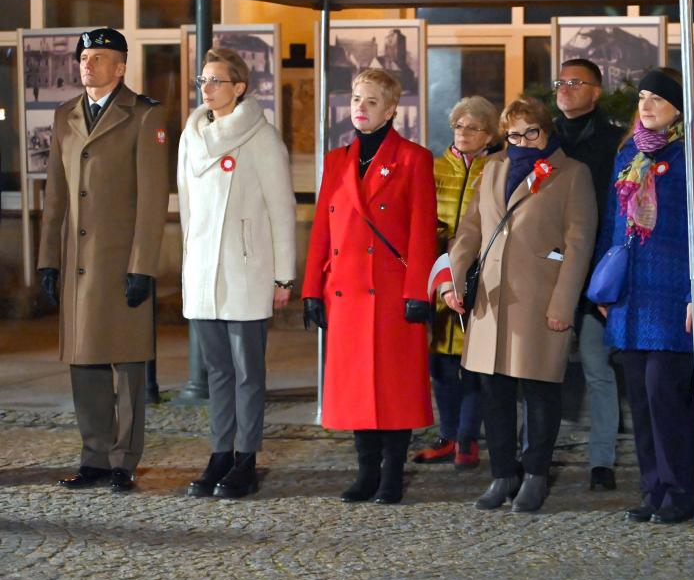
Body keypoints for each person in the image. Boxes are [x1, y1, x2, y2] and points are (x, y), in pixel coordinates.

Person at [442, 97, 597, 513]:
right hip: (492, 300)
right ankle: (502, 474)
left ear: (547, 131)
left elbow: (579, 244)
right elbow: (470, 229)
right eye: (514, 134)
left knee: (540, 390)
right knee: (494, 392)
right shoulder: (493, 168)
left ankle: (535, 475)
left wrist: (563, 304)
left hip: (541, 300)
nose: (523, 141)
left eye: (531, 132)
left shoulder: (572, 173)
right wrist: (453, 281)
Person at [37, 27, 170, 493]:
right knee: (84, 361)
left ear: (121, 66)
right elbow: (56, 194)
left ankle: (123, 461)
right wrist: (48, 259)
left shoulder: (144, 115)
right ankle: (94, 457)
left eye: (98, 57)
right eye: (84, 57)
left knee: (128, 364)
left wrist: (143, 265)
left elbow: (153, 198)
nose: (87, 64)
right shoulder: (65, 115)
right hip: (77, 261)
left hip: (121, 261)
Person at [597, 68, 694, 525]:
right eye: (642, 98)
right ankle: (653, 487)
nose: (646, 105)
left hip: (675, 294)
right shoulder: (628, 154)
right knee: (639, 395)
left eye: (657, 98)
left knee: (666, 394)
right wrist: (604, 283)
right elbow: (612, 223)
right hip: (631, 295)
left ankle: (681, 489)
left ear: (680, 107)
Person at [302, 68, 438, 504]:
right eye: (356, 99)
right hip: (345, 291)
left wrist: (418, 292)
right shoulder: (336, 160)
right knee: (357, 387)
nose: (360, 108)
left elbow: (422, 232)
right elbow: (322, 230)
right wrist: (311, 288)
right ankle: (366, 473)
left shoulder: (414, 159)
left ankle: (392, 475)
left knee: (394, 387)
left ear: (391, 109)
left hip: (393, 292)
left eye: (372, 101)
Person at [178, 48, 296, 499]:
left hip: (247, 270)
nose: (206, 88)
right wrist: (189, 263)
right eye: (202, 80)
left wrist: (283, 276)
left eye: (216, 81)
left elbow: (282, 210)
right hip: (203, 272)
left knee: (248, 372)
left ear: (239, 87)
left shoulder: (261, 137)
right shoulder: (192, 135)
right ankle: (219, 454)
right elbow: (187, 208)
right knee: (217, 371)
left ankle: (246, 459)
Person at [413, 96, 501, 470]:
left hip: (479, 276)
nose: (463, 133)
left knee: (474, 364)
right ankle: (448, 436)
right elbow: (420, 215)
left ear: (489, 135)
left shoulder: (496, 169)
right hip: (438, 273)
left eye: (473, 128)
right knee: (441, 363)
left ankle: (467, 438)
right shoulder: (434, 168)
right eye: (459, 126)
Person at [553, 58, 626, 492]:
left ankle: (602, 461)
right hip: (553, 270)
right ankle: (534, 454)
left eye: (575, 82)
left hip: (598, 271)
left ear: (596, 92)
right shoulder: (544, 138)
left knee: (599, 370)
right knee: (543, 369)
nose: (565, 88)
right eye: (561, 82)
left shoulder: (616, 141)